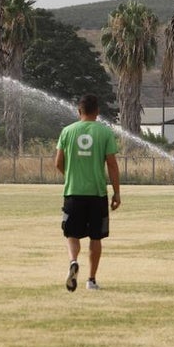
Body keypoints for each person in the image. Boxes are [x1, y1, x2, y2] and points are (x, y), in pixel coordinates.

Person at [55, 94, 121, 291]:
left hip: (73, 192)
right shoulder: (105, 132)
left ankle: (73, 261)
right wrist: (116, 193)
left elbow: (58, 163)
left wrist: (71, 175)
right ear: (97, 112)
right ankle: (91, 280)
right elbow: (112, 164)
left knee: (72, 234)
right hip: (97, 193)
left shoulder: (67, 131)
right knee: (96, 237)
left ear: (79, 111)